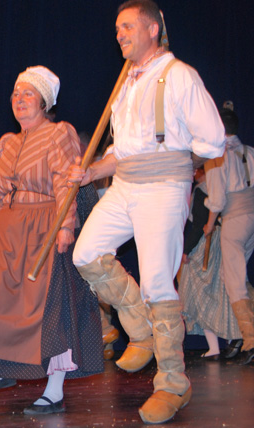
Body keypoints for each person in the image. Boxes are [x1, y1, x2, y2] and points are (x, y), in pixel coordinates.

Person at [67, 0, 225, 423]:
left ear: (153, 29)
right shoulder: (127, 82)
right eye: (117, 28)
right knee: (86, 254)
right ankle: (141, 329)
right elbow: (123, 152)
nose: (119, 34)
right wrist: (92, 171)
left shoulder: (179, 75)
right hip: (124, 186)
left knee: (158, 283)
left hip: (162, 189)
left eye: (128, 26)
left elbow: (213, 140)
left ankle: (173, 383)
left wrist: (177, 163)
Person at [0, 66, 103, 413]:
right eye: (16, 93)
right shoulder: (7, 143)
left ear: (44, 101)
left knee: (49, 309)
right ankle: (0, 368)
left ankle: (54, 390)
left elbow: (66, 183)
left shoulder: (59, 133)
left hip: (45, 224)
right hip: (9, 229)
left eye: (28, 93)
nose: (19, 99)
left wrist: (66, 226)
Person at [203, 106, 254, 365]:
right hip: (251, 217)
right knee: (236, 275)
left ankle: (251, 340)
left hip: (234, 219)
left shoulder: (217, 156)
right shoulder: (250, 152)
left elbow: (217, 199)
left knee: (234, 280)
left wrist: (210, 224)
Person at [178, 166, 242, 360]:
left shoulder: (203, 190)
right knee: (220, 292)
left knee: (198, 292)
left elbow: (200, 224)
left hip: (207, 244)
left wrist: (186, 250)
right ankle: (227, 342)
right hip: (224, 239)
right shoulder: (221, 187)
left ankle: (223, 343)